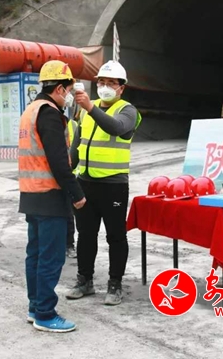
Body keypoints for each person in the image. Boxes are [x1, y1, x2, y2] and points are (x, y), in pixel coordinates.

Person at [66, 60, 142, 306]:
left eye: (111, 83)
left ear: (121, 88)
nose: (105, 87)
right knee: (86, 235)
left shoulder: (127, 110)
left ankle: (115, 284)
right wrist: (67, 170)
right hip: (85, 182)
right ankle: (84, 280)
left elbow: (117, 128)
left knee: (115, 236)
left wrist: (90, 108)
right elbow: (78, 144)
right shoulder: (86, 109)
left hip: (113, 185)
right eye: (102, 82)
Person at [18, 60, 86, 333]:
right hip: (49, 196)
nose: (69, 95)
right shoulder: (49, 113)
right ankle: (45, 314)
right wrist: (76, 193)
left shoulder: (31, 110)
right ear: (59, 88)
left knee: (35, 255)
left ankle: (35, 307)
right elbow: (59, 162)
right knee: (50, 257)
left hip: (31, 195)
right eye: (68, 89)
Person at [65, 105, 81, 259]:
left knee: (70, 214)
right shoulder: (49, 121)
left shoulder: (74, 125)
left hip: (72, 175)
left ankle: (69, 245)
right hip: (56, 173)